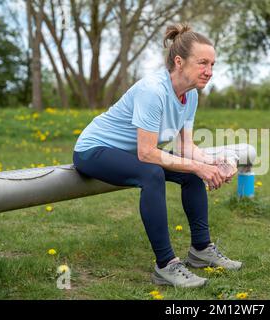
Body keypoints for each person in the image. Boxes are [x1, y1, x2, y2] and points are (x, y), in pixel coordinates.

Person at [72, 23, 241, 288]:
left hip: (131, 153)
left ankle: (201, 250)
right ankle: (166, 265)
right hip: (94, 150)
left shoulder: (191, 94)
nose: (209, 72)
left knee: (190, 170)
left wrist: (213, 163)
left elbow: (187, 148)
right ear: (179, 62)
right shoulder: (153, 90)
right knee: (152, 173)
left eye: (212, 64)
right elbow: (147, 153)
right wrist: (198, 167)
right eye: (202, 63)